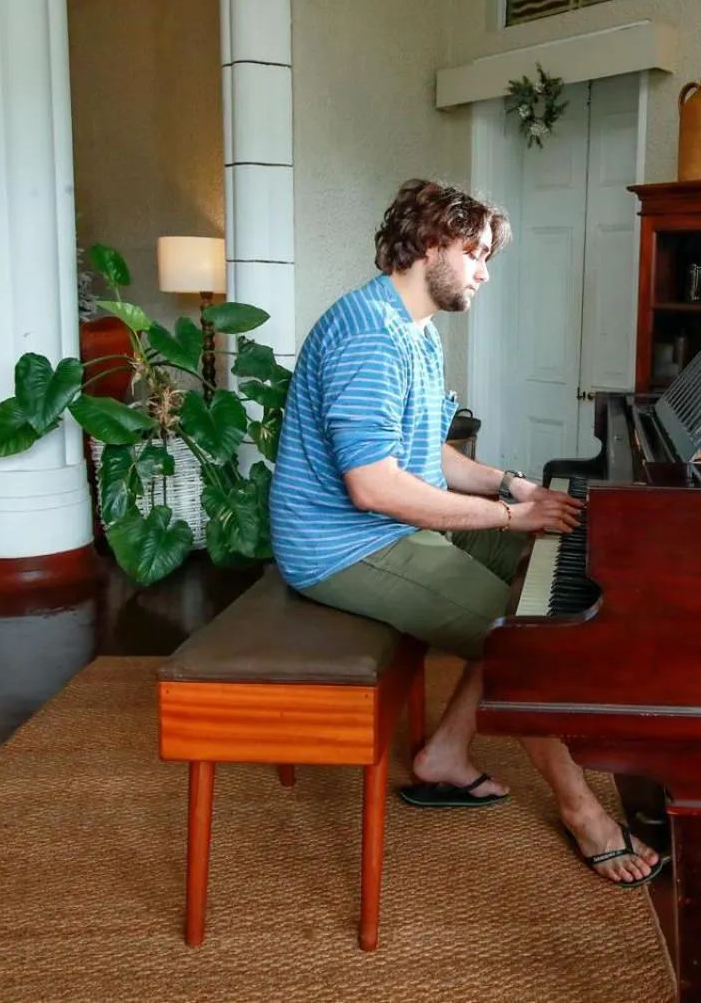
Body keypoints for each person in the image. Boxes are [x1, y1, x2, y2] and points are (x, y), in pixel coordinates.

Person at [269, 178, 664, 888]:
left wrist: (513, 486)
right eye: (475, 252)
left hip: (385, 525)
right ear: (428, 244)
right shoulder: (368, 337)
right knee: (519, 637)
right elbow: (376, 487)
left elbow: (424, 455)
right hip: (344, 544)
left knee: (552, 556)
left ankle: (445, 753)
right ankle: (583, 812)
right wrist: (513, 517)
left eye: (487, 255)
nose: (483, 270)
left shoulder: (413, 327)